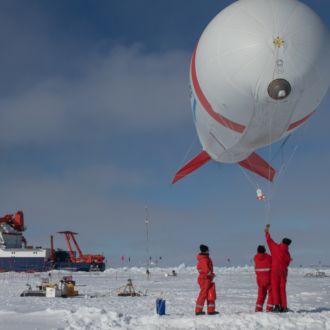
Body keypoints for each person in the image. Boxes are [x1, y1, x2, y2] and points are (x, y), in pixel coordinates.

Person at [265, 224, 292, 312]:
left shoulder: (276, 247)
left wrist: (267, 231)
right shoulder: (287, 254)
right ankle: (284, 307)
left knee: (275, 288)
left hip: (275, 271)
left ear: (282, 241)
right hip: (283, 272)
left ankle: (276, 306)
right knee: (282, 289)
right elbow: (288, 262)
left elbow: (269, 240)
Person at [195, 244, 219, 316]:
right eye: (208, 250)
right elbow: (206, 270)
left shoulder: (206, 258)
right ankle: (198, 310)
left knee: (210, 294)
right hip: (204, 279)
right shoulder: (203, 259)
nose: (209, 251)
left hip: (208, 279)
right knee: (203, 294)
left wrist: (211, 275)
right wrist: (211, 274)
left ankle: (211, 310)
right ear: (205, 250)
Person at [254, 245, 273, 312]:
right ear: (264, 250)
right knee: (271, 293)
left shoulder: (255, 258)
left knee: (261, 294)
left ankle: (258, 308)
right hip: (268, 279)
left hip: (259, 280)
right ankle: (269, 309)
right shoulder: (268, 257)